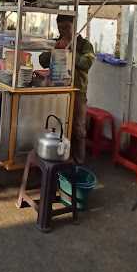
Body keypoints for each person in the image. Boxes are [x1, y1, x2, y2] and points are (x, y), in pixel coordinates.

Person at [40, 14, 95, 164]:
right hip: (56, 91)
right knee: (56, 125)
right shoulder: (55, 42)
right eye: (60, 27)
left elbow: (86, 63)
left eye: (66, 27)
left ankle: (78, 161)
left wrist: (69, 51)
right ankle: (57, 157)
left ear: (74, 26)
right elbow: (42, 61)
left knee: (78, 128)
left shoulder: (84, 45)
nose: (63, 31)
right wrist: (53, 51)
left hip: (77, 92)